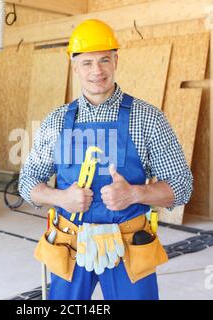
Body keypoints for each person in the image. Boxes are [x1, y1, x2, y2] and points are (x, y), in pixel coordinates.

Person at [18, 19, 193, 300]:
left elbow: (182, 186)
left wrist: (136, 193)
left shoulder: (148, 119)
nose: (96, 71)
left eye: (104, 60)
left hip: (130, 246)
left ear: (116, 61)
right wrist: (61, 198)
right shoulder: (56, 121)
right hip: (70, 245)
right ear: (74, 67)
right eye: (87, 63)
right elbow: (27, 182)